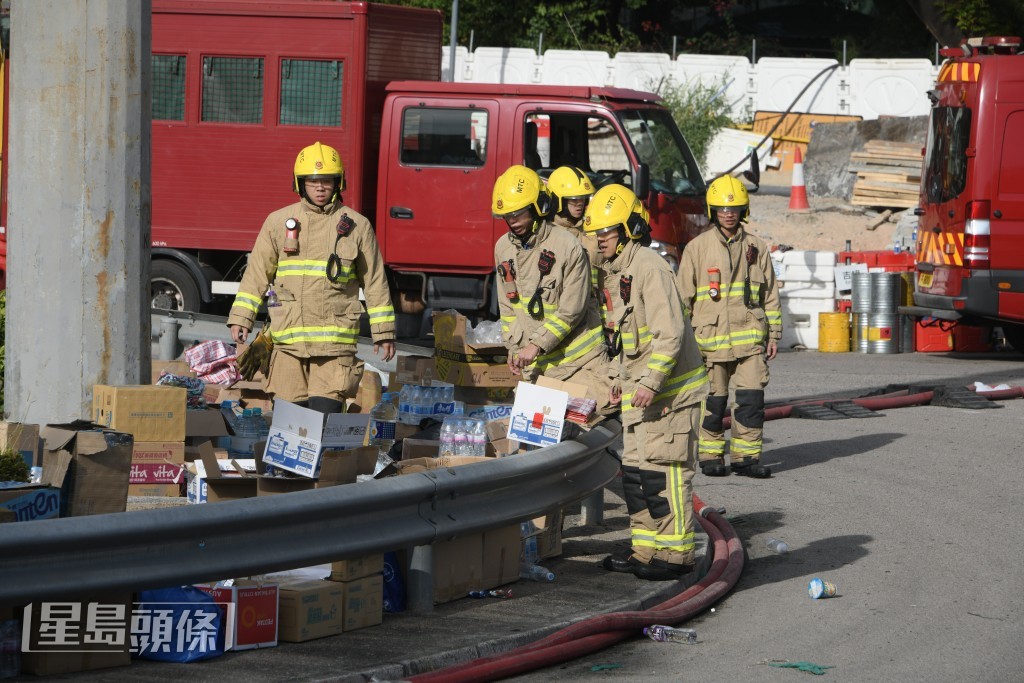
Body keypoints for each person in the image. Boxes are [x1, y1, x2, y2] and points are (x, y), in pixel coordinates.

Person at [584, 184, 710, 581]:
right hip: (642, 395)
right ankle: (646, 550)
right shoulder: (619, 270)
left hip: (669, 396)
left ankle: (676, 558)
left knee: (664, 475)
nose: (598, 240)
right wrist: (624, 381)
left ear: (627, 230)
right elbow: (629, 338)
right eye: (596, 234)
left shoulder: (650, 268)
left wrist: (651, 382)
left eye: (605, 233)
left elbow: (669, 334)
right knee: (637, 477)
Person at [227, 141, 396, 415]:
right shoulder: (277, 222)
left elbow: (375, 282)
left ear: (338, 182)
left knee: (323, 422)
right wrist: (241, 317)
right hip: (288, 348)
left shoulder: (357, 226)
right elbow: (257, 273)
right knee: (290, 430)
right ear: (300, 183)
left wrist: (384, 333)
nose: (319, 187)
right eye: (313, 181)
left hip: (334, 350)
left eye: (326, 180)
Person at [677, 175, 781, 478]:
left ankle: (746, 458)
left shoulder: (756, 248)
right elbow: (683, 299)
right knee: (713, 403)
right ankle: (710, 456)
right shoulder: (697, 249)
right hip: (710, 343)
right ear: (712, 211)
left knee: (750, 401)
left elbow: (770, 295)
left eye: (734, 207)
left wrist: (774, 334)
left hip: (749, 343)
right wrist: (682, 342)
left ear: (743, 210)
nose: (728, 213)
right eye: (722, 208)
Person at [491, 165, 610, 403]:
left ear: (538, 207)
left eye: (519, 213)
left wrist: (535, 345)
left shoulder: (568, 246)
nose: (512, 221)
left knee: (587, 434)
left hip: (579, 362)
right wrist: (514, 349)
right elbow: (508, 306)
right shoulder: (503, 248)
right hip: (536, 367)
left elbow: (572, 310)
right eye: (507, 215)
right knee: (537, 436)